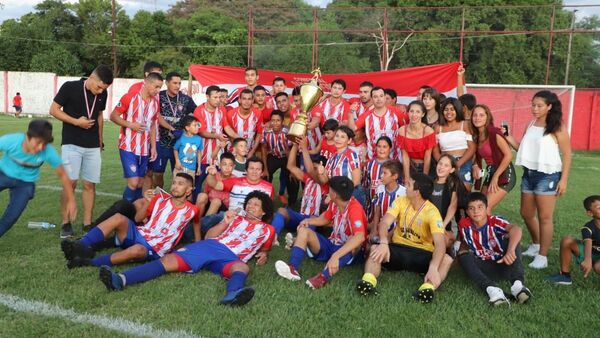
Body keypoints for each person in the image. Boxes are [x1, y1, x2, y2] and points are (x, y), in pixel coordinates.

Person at [99, 191, 275, 307]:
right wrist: (225, 222)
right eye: (249, 203)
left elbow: (265, 249)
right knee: (167, 262)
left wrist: (264, 254)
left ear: (263, 212)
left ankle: (232, 295)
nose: (250, 206)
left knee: (242, 267)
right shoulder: (235, 218)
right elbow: (209, 236)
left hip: (231, 259)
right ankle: (120, 280)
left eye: (255, 205)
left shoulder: (268, 230)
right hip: (211, 246)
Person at [60, 173, 199, 268]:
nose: (175, 186)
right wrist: (148, 202)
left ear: (188, 190)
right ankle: (79, 245)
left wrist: (198, 247)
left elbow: (197, 229)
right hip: (139, 233)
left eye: (180, 184)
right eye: (174, 182)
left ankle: (88, 262)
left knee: (137, 250)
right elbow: (138, 218)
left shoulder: (193, 210)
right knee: (118, 218)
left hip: (154, 248)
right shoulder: (159, 199)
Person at [356, 173, 453, 303]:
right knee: (375, 248)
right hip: (398, 249)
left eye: (408, 185)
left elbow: (440, 244)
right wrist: (384, 243)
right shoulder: (400, 201)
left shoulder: (432, 212)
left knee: (446, 259)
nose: (405, 187)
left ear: (417, 192)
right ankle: (367, 282)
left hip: (421, 253)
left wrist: (434, 267)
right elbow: (384, 223)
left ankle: (427, 289)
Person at [50, 65, 114, 237]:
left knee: (89, 183)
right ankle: (66, 223)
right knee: (70, 183)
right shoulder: (70, 87)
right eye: (99, 87)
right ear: (92, 78)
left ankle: (87, 223)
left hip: (92, 145)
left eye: (104, 89)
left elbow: (99, 115)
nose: (100, 91)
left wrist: (100, 140)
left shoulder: (102, 93)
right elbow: (53, 110)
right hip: (72, 142)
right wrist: (76, 122)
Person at [275, 176, 366, 289]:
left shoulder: (355, 209)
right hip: (332, 244)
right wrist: (308, 221)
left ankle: (323, 277)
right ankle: (292, 268)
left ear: (335, 194)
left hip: (348, 253)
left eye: (330, 189)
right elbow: (326, 219)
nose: (328, 191)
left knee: (354, 242)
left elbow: (360, 237)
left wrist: (336, 256)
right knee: (304, 231)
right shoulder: (335, 202)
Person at [516, 91, 572, 269]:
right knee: (526, 213)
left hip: (547, 176)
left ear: (549, 106)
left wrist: (563, 180)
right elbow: (523, 149)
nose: (534, 108)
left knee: (545, 218)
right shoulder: (530, 124)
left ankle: (543, 256)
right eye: (533, 105)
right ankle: (536, 244)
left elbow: (568, 155)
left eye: (539, 105)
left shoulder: (557, 127)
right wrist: (508, 138)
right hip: (529, 174)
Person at [0, 120, 76, 238]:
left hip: (25, 184)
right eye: (38, 142)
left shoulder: (48, 151)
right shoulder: (11, 141)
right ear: (27, 137)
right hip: (3, 174)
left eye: (44, 144)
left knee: (11, 217)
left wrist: (71, 200)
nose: (41, 147)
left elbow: (63, 175)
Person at [457, 192, 531, 306]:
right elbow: (464, 244)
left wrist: (510, 250)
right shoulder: (464, 225)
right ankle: (493, 290)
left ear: (487, 208)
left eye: (480, 207)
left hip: (506, 263)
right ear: (467, 212)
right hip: (486, 268)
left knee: (512, 239)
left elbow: (516, 229)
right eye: (471, 208)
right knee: (463, 256)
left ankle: (518, 285)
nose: (476, 211)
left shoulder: (495, 222)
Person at [110, 72, 163, 202]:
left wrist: (154, 148)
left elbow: (152, 126)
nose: (158, 91)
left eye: (159, 87)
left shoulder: (155, 103)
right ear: (146, 83)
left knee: (140, 183)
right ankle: (124, 211)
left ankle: (135, 212)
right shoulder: (130, 97)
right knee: (133, 182)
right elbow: (113, 116)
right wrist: (130, 125)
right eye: (156, 87)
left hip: (144, 149)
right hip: (128, 146)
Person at [272, 137, 329, 236]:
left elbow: (310, 170)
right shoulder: (308, 178)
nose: (313, 170)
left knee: (311, 219)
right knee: (282, 211)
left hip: (315, 221)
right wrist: (295, 144)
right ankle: (272, 236)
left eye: (316, 168)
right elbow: (290, 166)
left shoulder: (326, 183)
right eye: (314, 168)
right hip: (301, 217)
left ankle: (299, 239)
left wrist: (304, 148)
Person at [154, 71, 197, 188]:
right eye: (174, 83)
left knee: (179, 174)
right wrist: (171, 128)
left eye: (179, 83)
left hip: (180, 144)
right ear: (167, 83)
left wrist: (187, 130)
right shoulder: (159, 97)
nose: (177, 86)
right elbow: (156, 115)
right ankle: (159, 197)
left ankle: (176, 200)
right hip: (161, 143)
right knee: (158, 173)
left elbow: (197, 114)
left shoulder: (185, 99)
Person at [194, 85, 238, 197]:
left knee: (218, 183)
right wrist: (217, 136)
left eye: (220, 97)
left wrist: (238, 138)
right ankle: (196, 208)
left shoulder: (222, 109)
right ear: (207, 96)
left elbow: (226, 127)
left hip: (218, 156)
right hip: (203, 155)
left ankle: (214, 206)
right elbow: (201, 132)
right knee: (197, 184)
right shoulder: (199, 110)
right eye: (215, 97)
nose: (218, 100)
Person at [545, 195, 600, 285]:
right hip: (591, 252)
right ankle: (565, 276)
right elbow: (588, 243)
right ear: (590, 213)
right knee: (567, 241)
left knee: (598, 266)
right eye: (599, 208)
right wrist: (587, 259)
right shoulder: (588, 227)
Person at [127, 61, 163, 195]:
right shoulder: (135, 89)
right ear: (147, 75)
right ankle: (132, 203)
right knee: (136, 177)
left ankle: (144, 203)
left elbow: (155, 117)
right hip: (137, 139)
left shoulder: (157, 92)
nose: (158, 79)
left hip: (154, 136)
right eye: (156, 75)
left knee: (149, 172)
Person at [471, 104, 515, 214]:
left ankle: (494, 230)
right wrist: (475, 165)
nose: (477, 118)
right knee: (479, 204)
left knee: (485, 208)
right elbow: (475, 156)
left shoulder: (493, 132)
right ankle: (485, 230)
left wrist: (496, 176)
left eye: (481, 115)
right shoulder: (476, 136)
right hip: (491, 171)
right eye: (475, 115)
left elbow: (509, 155)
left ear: (487, 117)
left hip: (504, 172)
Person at [433, 97, 476, 190]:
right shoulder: (437, 127)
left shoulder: (465, 125)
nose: (449, 112)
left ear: (458, 110)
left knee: (463, 195)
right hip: (445, 164)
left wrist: (458, 164)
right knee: (446, 194)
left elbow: (472, 148)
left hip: (463, 162)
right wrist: (442, 164)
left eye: (452, 109)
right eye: (446, 109)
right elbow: (435, 150)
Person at [317, 126, 364, 207]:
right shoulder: (332, 157)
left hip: (351, 196)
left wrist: (335, 196)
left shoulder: (352, 155)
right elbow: (325, 181)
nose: (338, 139)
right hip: (337, 197)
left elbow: (356, 182)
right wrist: (320, 173)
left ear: (349, 141)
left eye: (342, 137)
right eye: (337, 136)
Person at [261, 110, 298, 206]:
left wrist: (292, 169)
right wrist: (265, 168)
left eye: (278, 120)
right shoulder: (266, 131)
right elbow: (264, 149)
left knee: (292, 177)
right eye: (273, 120)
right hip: (273, 156)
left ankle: (291, 201)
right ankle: (266, 199)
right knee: (265, 175)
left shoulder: (287, 132)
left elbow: (289, 151)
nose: (275, 123)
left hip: (287, 157)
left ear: (282, 121)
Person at [429, 155, 466, 249]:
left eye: (446, 165)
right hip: (429, 222)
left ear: (452, 170)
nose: (441, 167)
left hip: (446, 225)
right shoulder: (430, 182)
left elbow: (452, 206)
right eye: (440, 163)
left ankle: (454, 247)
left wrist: (442, 226)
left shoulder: (454, 184)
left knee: (440, 243)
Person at [354, 87, 400, 161]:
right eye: (375, 97)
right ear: (372, 99)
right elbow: (353, 128)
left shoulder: (396, 112)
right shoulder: (366, 115)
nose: (379, 99)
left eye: (381, 96)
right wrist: (350, 113)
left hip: (394, 159)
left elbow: (405, 127)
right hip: (373, 158)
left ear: (385, 97)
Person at [397, 100, 436, 182]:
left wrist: (425, 177)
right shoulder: (402, 131)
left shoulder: (429, 131)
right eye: (411, 111)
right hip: (410, 166)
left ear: (423, 114)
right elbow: (405, 156)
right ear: (407, 113)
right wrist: (407, 177)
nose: (414, 115)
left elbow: (427, 156)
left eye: (418, 112)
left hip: (427, 166)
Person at [369, 160, 406, 239]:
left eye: (385, 173)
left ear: (394, 176)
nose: (381, 176)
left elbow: (403, 218)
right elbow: (377, 212)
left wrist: (390, 235)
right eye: (381, 173)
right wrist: (375, 229)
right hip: (382, 227)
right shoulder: (379, 189)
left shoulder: (404, 193)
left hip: (397, 231)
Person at [363, 136, 394, 220]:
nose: (381, 149)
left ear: (390, 149)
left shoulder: (394, 165)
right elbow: (365, 183)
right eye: (379, 146)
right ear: (375, 148)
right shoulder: (369, 164)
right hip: (371, 203)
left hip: (388, 204)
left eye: (384, 147)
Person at [226, 89, 263, 158]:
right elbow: (229, 134)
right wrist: (237, 151)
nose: (246, 102)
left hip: (250, 152)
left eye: (249, 99)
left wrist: (252, 151)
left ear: (252, 101)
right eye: (244, 99)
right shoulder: (230, 114)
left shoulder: (258, 113)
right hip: (233, 151)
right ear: (239, 100)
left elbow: (259, 134)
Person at [197, 152, 235, 217]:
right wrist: (211, 175)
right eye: (224, 164)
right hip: (210, 203)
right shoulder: (214, 174)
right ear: (219, 165)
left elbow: (217, 185)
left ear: (234, 167)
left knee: (216, 201)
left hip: (223, 209)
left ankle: (203, 226)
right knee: (202, 195)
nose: (227, 168)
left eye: (230, 165)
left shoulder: (235, 179)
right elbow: (205, 191)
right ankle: (195, 222)